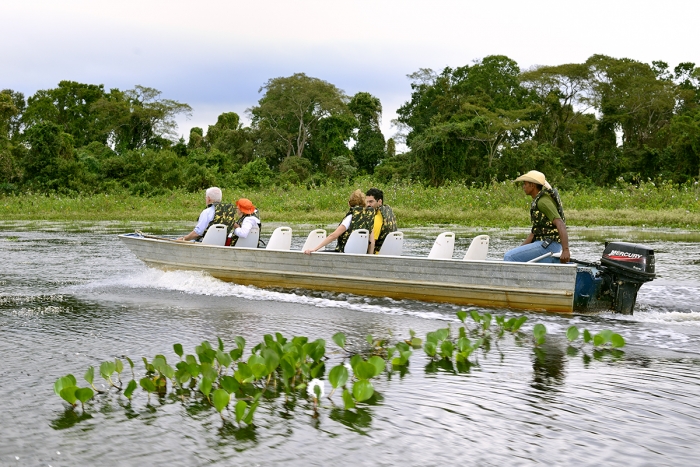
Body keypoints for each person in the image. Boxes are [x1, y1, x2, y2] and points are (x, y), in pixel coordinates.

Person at [503, 170, 570, 264]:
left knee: (509, 257)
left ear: (532, 185)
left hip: (549, 245)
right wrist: (520, 249)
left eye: (525, 184)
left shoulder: (543, 202)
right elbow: (534, 233)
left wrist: (566, 250)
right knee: (514, 255)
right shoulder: (539, 200)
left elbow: (560, 223)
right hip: (544, 244)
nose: (523, 187)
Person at [304, 189, 375, 254]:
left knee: (318, 253)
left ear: (349, 203)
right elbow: (372, 241)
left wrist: (315, 249)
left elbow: (333, 236)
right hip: (360, 254)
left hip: (343, 253)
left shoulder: (350, 217)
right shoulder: (369, 219)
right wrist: (369, 256)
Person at [365, 187, 398, 254]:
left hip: (379, 254)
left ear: (379, 202)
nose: (368, 205)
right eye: (367, 202)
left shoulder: (378, 216)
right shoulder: (388, 210)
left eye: (371, 202)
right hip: (391, 252)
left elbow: (372, 241)